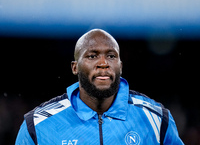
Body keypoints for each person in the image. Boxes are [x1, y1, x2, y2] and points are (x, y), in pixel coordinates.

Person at [15, 29, 184, 145]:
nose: (103, 64)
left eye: (111, 56)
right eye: (92, 56)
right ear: (75, 67)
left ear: (121, 66)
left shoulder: (156, 119)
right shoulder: (37, 125)